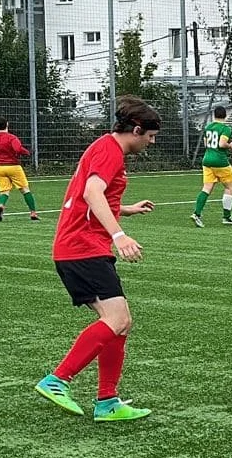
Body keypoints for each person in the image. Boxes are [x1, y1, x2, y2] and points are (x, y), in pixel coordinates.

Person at [36, 96, 161, 422]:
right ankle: (58, 379)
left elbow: (90, 200)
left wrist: (126, 209)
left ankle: (107, 402)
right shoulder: (110, 152)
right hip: (83, 249)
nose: (152, 141)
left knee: (120, 324)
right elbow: (92, 193)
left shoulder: (103, 147)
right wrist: (119, 235)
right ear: (136, 129)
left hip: (79, 249)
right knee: (118, 321)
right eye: (150, 135)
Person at [192, 105, 232, 227]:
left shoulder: (208, 127)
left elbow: (205, 143)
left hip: (207, 160)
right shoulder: (225, 128)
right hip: (220, 161)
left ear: (214, 115)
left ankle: (197, 214)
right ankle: (227, 217)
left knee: (206, 188)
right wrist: (231, 145)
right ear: (225, 115)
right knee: (229, 187)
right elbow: (222, 143)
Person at [0, 117, 38, 222]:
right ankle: (33, 213)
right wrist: (26, 152)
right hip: (13, 166)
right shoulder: (12, 138)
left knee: (4, 191)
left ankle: (1, 205)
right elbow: (18, 149)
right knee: (25, 190)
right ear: (7, 124)